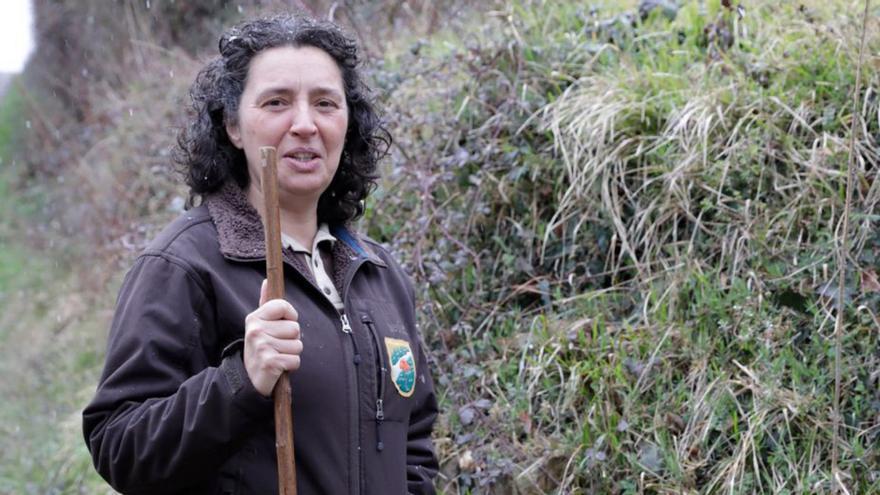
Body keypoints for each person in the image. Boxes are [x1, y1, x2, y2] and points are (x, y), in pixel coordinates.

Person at [82, 14, 439, 495]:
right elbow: (119, 446)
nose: (306, 124)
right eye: (276, 103)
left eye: (326, 103)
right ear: (232, 124)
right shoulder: (185, 266)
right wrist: (240, 379)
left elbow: (413, 442)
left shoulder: (377, 273)